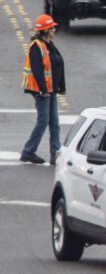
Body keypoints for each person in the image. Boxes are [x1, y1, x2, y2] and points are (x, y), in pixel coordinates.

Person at [20, 14, 65, 165]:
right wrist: (43, 90)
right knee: (44, 120)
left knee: (54, 122)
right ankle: (28, 152)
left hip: (51, 89)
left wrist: (61, 87)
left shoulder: (50, 45)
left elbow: (58, 64)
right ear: (46, 30)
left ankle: (55, 154)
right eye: (52, 27)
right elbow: (38, 70)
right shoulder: (36, 46)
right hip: (42, 91)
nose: (54, 29)